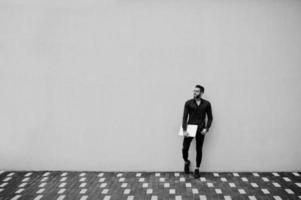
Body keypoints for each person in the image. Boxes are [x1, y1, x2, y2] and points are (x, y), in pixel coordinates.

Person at [181, 84, 213, 178]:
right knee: (184, 148)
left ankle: (197, 169)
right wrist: (184, 129)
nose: (194, 92)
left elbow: (210, 118)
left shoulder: (207, 104)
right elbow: (184, 117)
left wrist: (206, 129)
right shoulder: (188, 103)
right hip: (190, 128)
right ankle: (186, 161)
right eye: (194, 91)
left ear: (202, 93)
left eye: (197, 91)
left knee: (199, 149)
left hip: (201, 129)